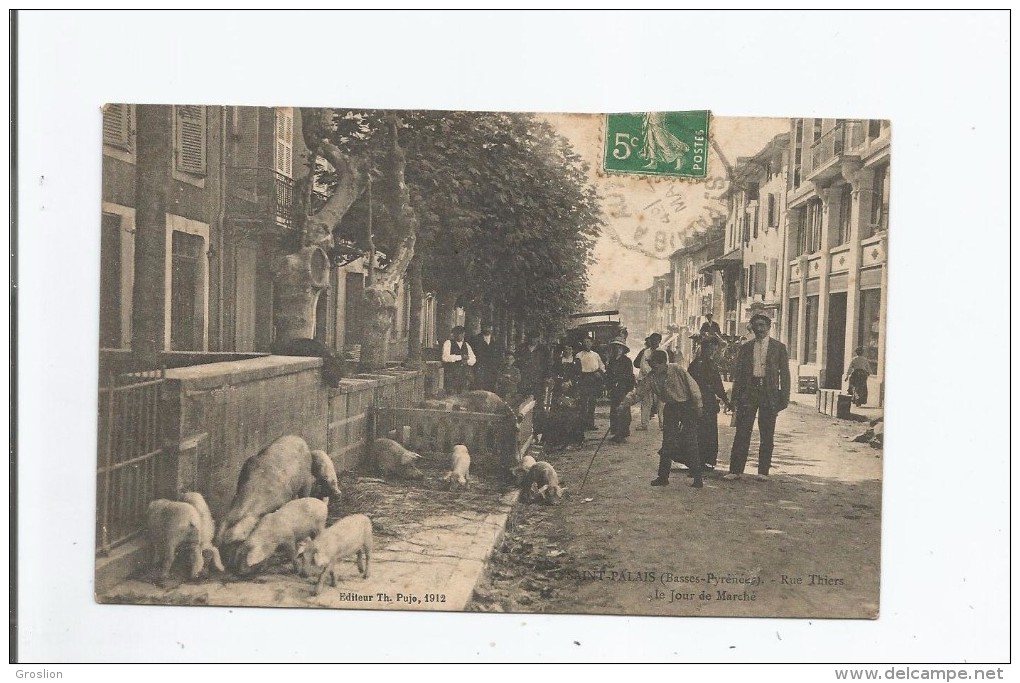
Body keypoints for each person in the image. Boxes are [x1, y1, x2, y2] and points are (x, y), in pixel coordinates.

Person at [618, 350, 704, 488]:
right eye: (651, 365)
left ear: (664, 362)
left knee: (690, 442)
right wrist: (623, 405)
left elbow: (694, 388)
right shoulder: (651, 377)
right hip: (670, 408)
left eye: (655, 365)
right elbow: (638, 393)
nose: (653, 368)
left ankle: (698, 478)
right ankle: (663, 477)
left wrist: (698, 406)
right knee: (667, 442)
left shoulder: (677, 369)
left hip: (686, 407)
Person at [724, 312, 791, 481]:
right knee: (742, 431)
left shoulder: (779, 347)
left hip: (769, 393)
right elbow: (738, 375)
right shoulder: (745, 348)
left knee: (767, 433)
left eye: (763, 326)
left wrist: (784, 398)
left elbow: (785, 374)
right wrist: (734, 398)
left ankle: (763, 472)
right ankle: (736, 470)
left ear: (769, 327)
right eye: (756, 326)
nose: (759, 329)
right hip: (749, 392)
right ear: (752, 328)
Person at [687, 335, 732, 472]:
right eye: (710, 349)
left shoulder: (711, 364)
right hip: (697, 401)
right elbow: (689, 384)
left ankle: (705, 460)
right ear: (704, 349)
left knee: (709, 432)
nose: (712, 352)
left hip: (709, 402)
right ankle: (696, 461)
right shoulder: (696, 364)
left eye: (714, 350)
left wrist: (725, 399)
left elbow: (717, 384)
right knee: (699, 432)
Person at [606, 337, 636, 443]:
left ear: (623, 349)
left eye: (620, 347)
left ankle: (622, 432)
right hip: (614, 388)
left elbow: (630, 376)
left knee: (623, 409)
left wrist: (628, 387)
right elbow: (608, 375)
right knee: (614, 410)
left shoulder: (627, 361)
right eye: (616, 347)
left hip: (623, 388)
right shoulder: (612, 361)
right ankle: (616, 432)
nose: (617, 349)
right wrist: (609, 386)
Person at [574, 336, 605, 431]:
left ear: (592, 343)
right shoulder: (578, 355)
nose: (587, 344)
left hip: (593, 379)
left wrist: (599, 373)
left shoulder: (596, 355)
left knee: (592, 402)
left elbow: (602, 366)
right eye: (585, 342)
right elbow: (576, 369)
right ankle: (583, 424)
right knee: (583, 403)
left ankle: (591, 424)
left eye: (588, 342)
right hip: (583, 378)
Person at [633, 333, 663, 432]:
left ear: (659, 341)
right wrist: (651, 373)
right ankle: (644, 424)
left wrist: (657, 373)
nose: (654, 342)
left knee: (661, 402)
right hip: (647, 379)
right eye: (653, 340)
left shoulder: (663, 352)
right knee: (646, 401)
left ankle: (662, 423)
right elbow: (643, 365)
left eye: (656, 340)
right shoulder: (646, 352)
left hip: (659, 379)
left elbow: (664, 365)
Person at [516, 331, 550, 403]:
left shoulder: (543, 349)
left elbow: (547, 364)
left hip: (538, 379)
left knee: (537, 400)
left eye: (535, 338)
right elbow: (517, 363)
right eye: (531, 338)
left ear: (538, 338)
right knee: (522, 399)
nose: (532, 340)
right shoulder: (522, 348)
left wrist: (546, 377)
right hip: (523, 378)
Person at [441, 326, 476, 395]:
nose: (460, 336)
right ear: (454, 334)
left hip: (464, 376)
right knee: (451, 396)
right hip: (452, 375)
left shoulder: (466, 345)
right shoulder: (448, 343)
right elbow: (445, 357)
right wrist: (460, 357)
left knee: (463, 396)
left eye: (462, 334)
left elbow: (473, 358)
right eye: (458, 334)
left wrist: (467, 361)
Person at [471, 323, 499, 392]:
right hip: (480, 367)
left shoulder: (496, 339)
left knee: (491, 387)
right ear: (482, 327)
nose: (487, 329)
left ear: (492, 328)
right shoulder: (476, 339)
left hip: (492, 368)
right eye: (485, 327)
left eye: (489, 327)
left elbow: (499, 354)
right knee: (479, 387)